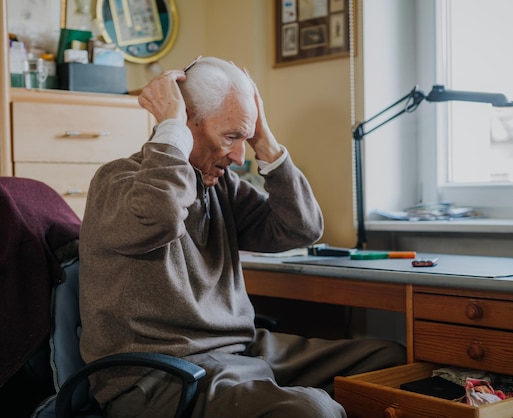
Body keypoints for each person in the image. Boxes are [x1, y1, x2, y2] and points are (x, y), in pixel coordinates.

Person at [78, 56, 406, 418]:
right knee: (313, 411)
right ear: (186, 121)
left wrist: (263, 139)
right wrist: (169, 127)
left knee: (390, 362)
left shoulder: (220, 186)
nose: (238, 156)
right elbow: (160, 215)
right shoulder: (118, 180)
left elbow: (301, 228)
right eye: (231, 137)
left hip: (240, 353)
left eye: (244, 138)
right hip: (160, 376)